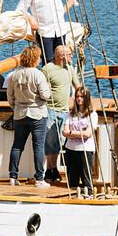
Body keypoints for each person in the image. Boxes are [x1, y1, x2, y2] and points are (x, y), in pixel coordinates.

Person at [5, 46, 52, 187]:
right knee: (38, 147)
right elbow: (45, 95)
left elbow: (10, 96)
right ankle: (39, 179)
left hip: (20, 113)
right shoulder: (38, 74)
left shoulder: (14, 75)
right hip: (37, 113)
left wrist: (16, 107)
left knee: (17, 146)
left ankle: (13, 177)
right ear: (35, 58)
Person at [15, 0, 78, 65]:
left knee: (63, 59)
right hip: (45, 32)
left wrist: (62, 11)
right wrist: (31, 19)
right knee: (48, 61)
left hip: (60, 30)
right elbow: (20, 10)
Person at [41, 45, 80, 182]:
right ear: (61, 56)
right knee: (50, 142)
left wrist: (83, 102)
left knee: (59, 141)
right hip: (50, 110)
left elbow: (78, 86)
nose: (71, 57)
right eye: (69, 54)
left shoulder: (69, 69)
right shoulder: (47, 69)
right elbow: (41, 88)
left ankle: (53, 169)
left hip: (64, 111)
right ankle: (50, 170)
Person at [61, 87, 98, 193]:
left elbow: (88, 134)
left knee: (87, 180)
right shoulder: (70, 114)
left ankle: (89, 195)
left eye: (82, 97)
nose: (79, 99)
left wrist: (71, 133)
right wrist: (78, 134)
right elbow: (64, 132)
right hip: (71, 149)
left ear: (86, 98)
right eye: (77, 96)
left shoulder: (92, 115)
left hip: (85, 150)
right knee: (72, 181)